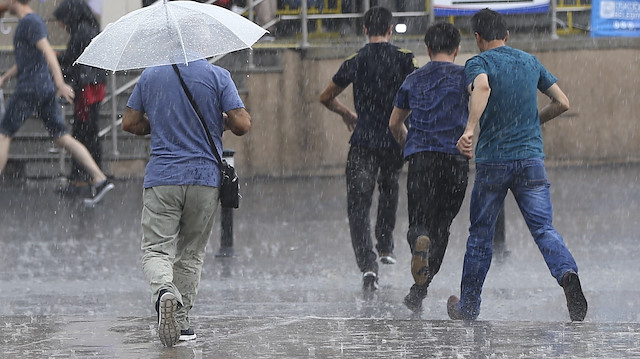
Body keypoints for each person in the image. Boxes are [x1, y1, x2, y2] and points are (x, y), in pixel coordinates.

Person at [447, 8, 587, 321]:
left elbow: (482, 88)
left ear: (478, 38)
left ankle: (468, 307)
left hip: (494, 162)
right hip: (530, 160)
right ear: (507, 36)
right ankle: (566, 274)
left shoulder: (478, 62)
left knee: (480, 236)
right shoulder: (529, 61)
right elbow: (562, 102)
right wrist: (532, 123)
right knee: (543, 229)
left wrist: (469, 129)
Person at [122, 59, 251, 346]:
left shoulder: (150, 75)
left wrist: (160, 123)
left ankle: (164, 292)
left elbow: (129, 122)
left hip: (163, 177)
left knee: (157, 249)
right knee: (191, 253)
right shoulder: (218, 75)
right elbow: (242, 123)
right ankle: (181, 324)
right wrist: (220, 122)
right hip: (205, 179)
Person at [319, 6, 418, 297]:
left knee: (358, 205)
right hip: (394, 138)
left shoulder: (356, 60)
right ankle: (385, 244)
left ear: (364, 30)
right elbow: (416, 94)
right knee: (390, 188)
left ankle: (367, 265)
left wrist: (346, 113)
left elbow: (325, 97)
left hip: (362, 142)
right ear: (390, 30)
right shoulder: (403, 59)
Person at [388, 22, 469, 314]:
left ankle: (418, 248)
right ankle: (418, 291)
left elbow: (395, 123)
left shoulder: (414, 79)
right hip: (456, 160)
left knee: (419, 225)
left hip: (422, 159)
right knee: (442, 228)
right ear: (457, 49)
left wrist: (411, 145)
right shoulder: (466, 77)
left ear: (427, 49)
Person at [0, 0, 113, 205]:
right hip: (43, 87)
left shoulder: (30, 22)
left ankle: (93, 178)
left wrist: (60, 83)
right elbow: (29, 58)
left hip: (31, 87)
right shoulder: (32, 22)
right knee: (62, 137)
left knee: (4, 133)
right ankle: (99, 178)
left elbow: (49, 54)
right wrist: (5, 78)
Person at [54, 0, 107, 195]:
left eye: (61, 20)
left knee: (83, 133)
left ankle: (83, 178)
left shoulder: (81, 31)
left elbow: (74, 60)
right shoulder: (87, 28)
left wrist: (57, 61)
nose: (60, 24)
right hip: (92, 87)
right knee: (87, 133)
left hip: (87, 90)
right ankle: (89, 177)